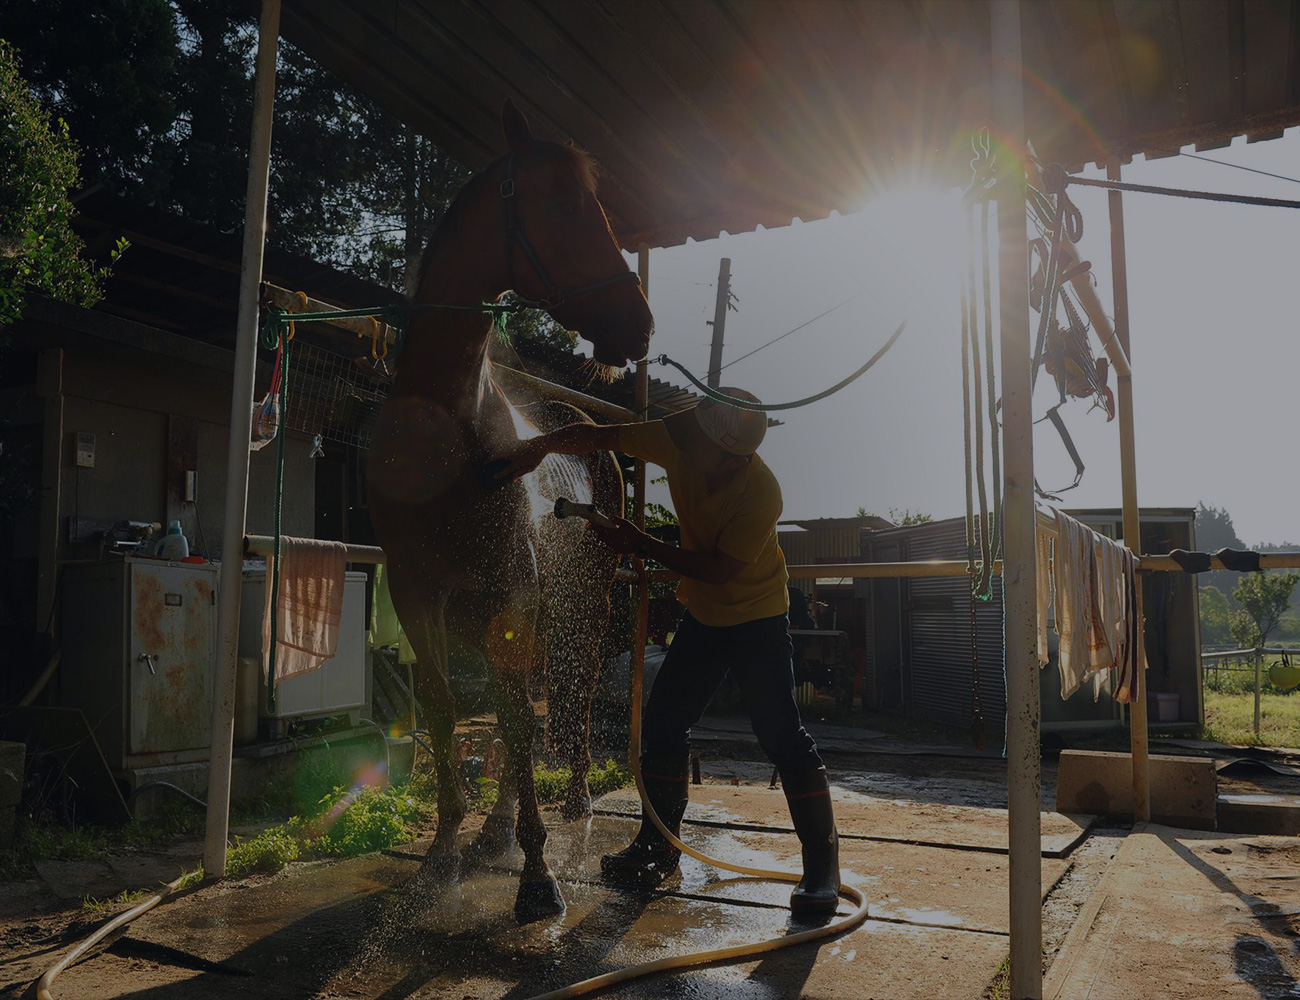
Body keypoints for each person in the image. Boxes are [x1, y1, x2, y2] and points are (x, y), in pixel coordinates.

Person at [490, 388, 840, 918]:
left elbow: (720, 568)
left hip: (757, 618)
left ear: (731, 457)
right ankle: (658, 849)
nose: (685, 440)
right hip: (706, 617)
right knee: (664, 724)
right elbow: (599, 436)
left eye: (699, 438)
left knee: (781, 736)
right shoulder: (678, 440)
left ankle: (822, 867)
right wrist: (541, 447)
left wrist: (642, 544)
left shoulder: (761, 492)